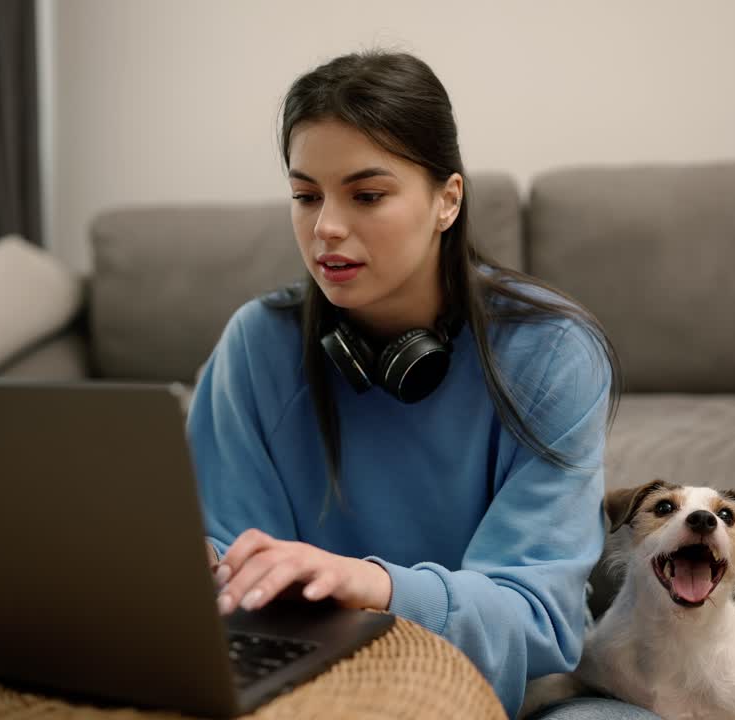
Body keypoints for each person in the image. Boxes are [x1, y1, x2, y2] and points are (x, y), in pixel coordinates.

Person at [186, 50, 656, 720]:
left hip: (510, 696)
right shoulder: (256, 346)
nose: (326, 229)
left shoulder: (553, 353)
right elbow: (229, 573)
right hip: (318, 694)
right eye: (305, 195)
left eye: (367, 195)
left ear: (447, 200)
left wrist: (374, 585)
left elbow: (537, 618)